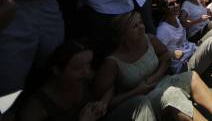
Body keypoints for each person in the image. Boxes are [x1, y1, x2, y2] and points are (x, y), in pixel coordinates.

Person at [93, 12, 212, 121]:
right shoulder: (112, 62)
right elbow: (105, 104)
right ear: (122, 35)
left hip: (161, 82)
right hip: (141, 100)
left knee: (191, 76)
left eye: (141, 23)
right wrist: (137, 91)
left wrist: (157, 74)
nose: (141, 27)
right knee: (171, 94)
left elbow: (166, 56)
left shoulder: (149, 39)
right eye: (135, 26)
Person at [18, 40, 155, 121]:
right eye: (77, 68)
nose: (86, 72)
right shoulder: (36, 108)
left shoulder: (86, 77)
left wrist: (103, 102)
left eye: (88, 64)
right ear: (57, 70)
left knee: (140, 102)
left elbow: (109, 87)